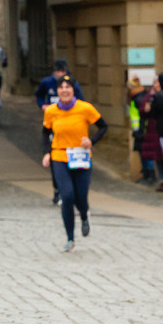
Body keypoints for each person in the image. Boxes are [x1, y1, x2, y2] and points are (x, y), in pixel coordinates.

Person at [41, 74, 108, 251]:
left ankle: (85, 215)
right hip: (60, 157)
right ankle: (70, 238)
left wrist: (91, 141)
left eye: (68, 87)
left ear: (73, 90)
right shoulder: (51, 111)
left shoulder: (85, 108)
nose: (64, 90)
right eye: (61, 87)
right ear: (57, 91)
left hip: (80, 156)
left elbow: (103, 126)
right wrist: (47, 153)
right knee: (67, 196)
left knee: (80, 197)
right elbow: (45, 133)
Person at [37, 60, 85, 204]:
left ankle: (72, 189)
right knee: (55, 158)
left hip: (71, 124)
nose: (59, 74)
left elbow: (81, 101)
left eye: (62, 72)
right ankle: (58, 190)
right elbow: (39, 95)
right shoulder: (47, 82)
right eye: (57, 72)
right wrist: (43, 106)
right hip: (54, 123)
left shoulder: (73, 84)